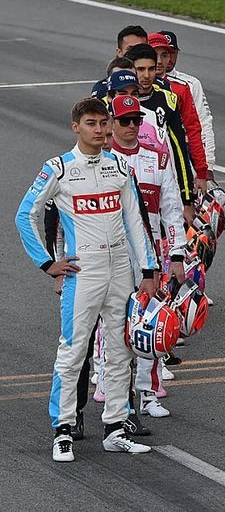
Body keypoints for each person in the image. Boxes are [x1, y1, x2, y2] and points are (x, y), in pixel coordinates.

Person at [16, 98, 159, 462]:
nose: (100, 130)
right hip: (84, 271)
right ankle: (62, 430)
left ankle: (115, 426)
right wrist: (47, 263)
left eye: (103, 123)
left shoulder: (120, 166)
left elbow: (135, 223)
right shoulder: (59, 169)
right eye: (92, 123)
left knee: (120, 349)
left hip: (121, 270)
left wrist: (147, 271)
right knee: (73, 350)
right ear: (75, 127)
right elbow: (25, 216)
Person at [107, 95, 187, 417]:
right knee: (113, 325)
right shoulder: (102, 159)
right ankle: (109, 384)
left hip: (150, 256)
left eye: (135, 121)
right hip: (113, 252)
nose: (130, 127)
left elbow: (171, 210)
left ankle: (148, 394)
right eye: (124, 121)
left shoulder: (158, 157)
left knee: (152, 324)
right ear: (112, 122)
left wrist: (177, 255)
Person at [126, 43, 197, 218]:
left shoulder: (167, 100)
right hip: (126, 182)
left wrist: (187, 199)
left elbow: (179, 150)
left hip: (161, 183)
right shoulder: (114, 100)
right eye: (140, 69)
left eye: (150, 69)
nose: (146, 75)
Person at [148, 33, 209, 193]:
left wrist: (202, 171)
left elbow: (193, 130)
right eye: (155, 55)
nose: (160, 61)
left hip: (177, 161)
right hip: (145, 161)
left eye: (165, 55)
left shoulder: (181, 88)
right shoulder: (133, 87)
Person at [159, 30, 217, 183]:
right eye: (162, 53)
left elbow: (202, 125)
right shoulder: (142, 84)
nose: (168, 58)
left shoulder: (190, 84)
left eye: (171, 53)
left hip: (185, 155)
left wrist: (207, 165)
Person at [92, 25, 148, 99]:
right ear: (119, 52)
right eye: (130, 49)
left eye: (140, 49)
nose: (136, 53)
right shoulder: (102, 89)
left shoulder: (160, 86)